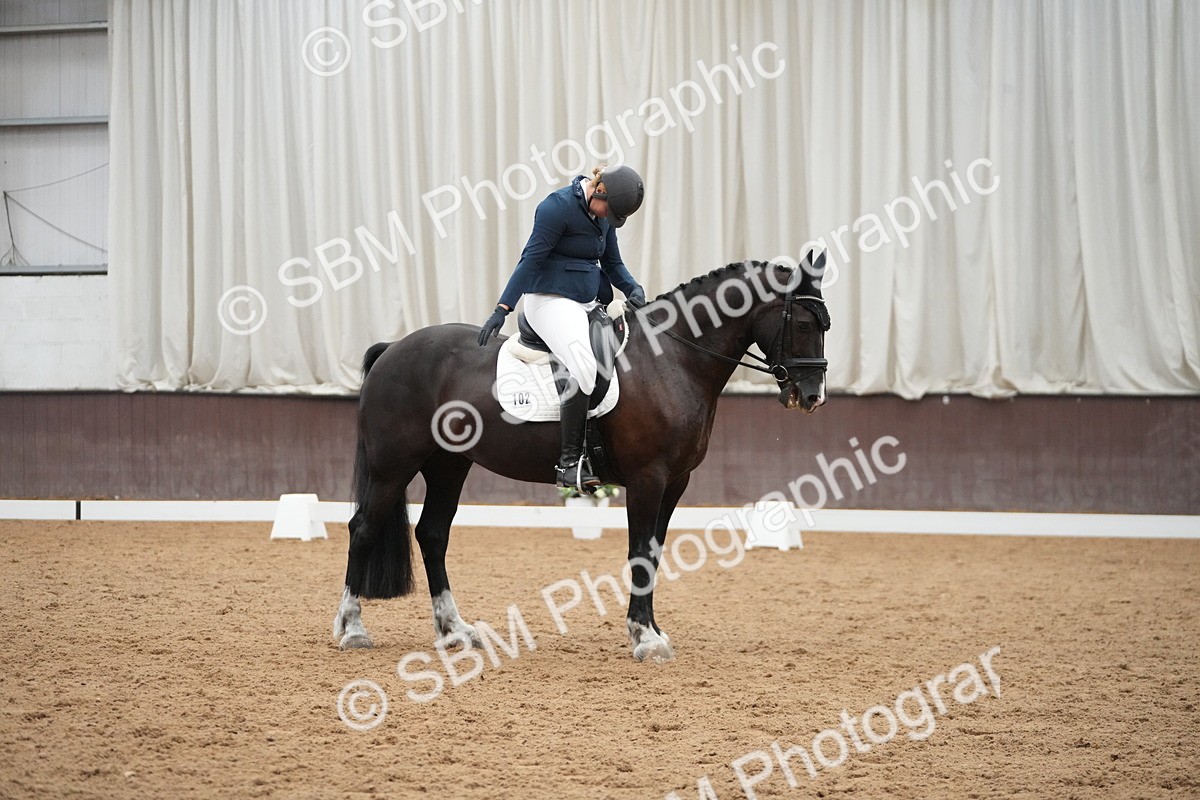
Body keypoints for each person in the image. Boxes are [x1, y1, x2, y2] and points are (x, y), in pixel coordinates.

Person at [477, 164, 647, 492]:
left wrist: (632, 287)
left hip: (586, 301)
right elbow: (530, 260)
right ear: (599, 190)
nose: (606, 219)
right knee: (584, 366)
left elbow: (611, 263)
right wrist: (503, 307)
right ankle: (569, 464)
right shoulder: (556, 208)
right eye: (607, 211)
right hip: (548, 301)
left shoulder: (603, 215)